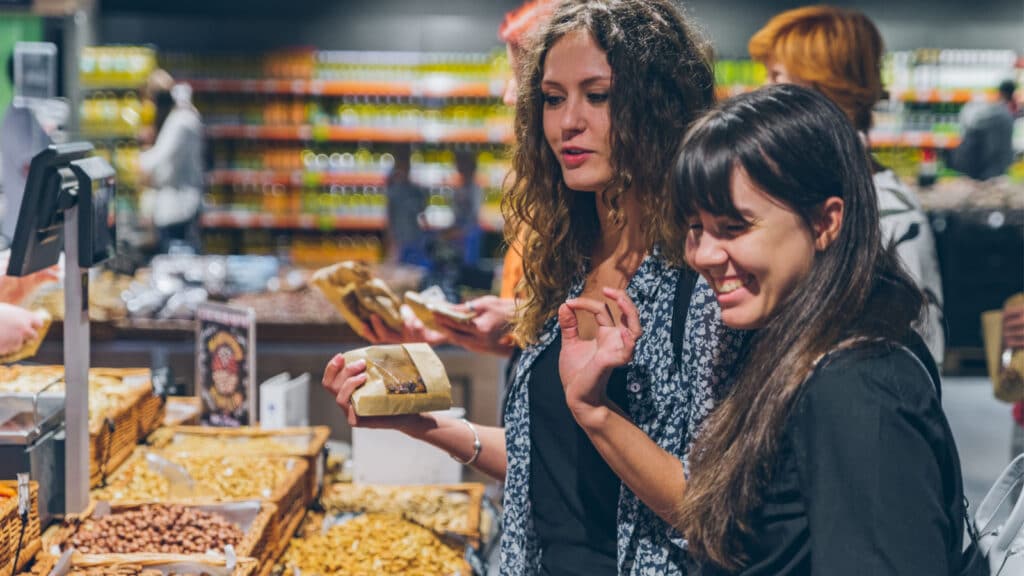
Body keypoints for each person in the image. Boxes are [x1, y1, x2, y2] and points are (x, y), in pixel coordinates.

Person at [324, 1, 746, 574]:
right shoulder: (567, 262)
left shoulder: (702, 281)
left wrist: (596, 412)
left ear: (658, 107)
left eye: (596, 96)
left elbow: (712, 511)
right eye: (552, 98)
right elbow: (544, 461)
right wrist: (417, 421)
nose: (568, 121)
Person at [656, 84, 963, 574]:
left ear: (825, 222)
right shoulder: (796, 345)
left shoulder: (858, 388)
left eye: (734, 227)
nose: (704, 256)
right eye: (696, 227)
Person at [748, 5, 946, 365]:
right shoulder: (804, 186)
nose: (763, 90)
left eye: (777, 76)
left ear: (824, 87)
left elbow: (918, 352)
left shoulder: (888, 211)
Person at [137, 68, 204, 253]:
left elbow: (155, 159)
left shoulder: (181, 120)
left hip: (179, 207)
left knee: (177, 260)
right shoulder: (177, 118)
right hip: (173, 205)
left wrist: (130, 159)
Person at [950, 79, 1017, 181]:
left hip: (984, 170)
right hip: (996, 169)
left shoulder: (993, 112)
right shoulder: (1006, 113)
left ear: (1000, 93)